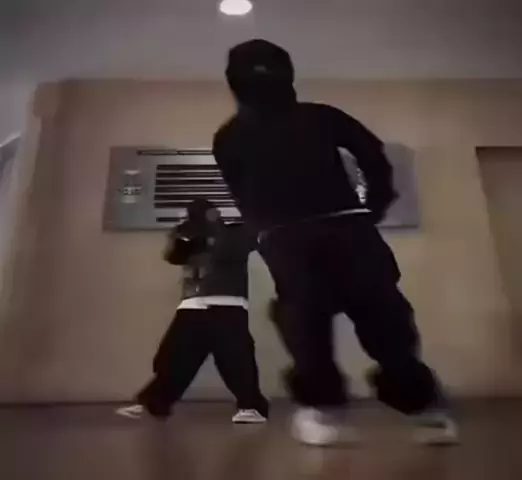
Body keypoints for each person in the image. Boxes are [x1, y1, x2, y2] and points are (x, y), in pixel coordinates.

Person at [212, 39, 458, 446]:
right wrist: (265, 231)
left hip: (345, 228)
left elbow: (373, 156)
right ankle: (323, 408)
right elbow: (240, 192)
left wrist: (372, 207)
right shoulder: (229, 137)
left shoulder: (321, 117)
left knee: (384, 316)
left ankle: (423, 406)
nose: (262, 78)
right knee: (304, 322)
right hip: (289, 238)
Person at [117, 199, 269, 424]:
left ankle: (251, 406)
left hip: (227, 303)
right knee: (174, 356)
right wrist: (182, 236)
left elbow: (240, 245)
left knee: (235, 357)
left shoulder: (234, 234)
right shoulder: (190, 237)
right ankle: (155, 402)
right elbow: (173, 257)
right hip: (192, 304)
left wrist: (213, 229)